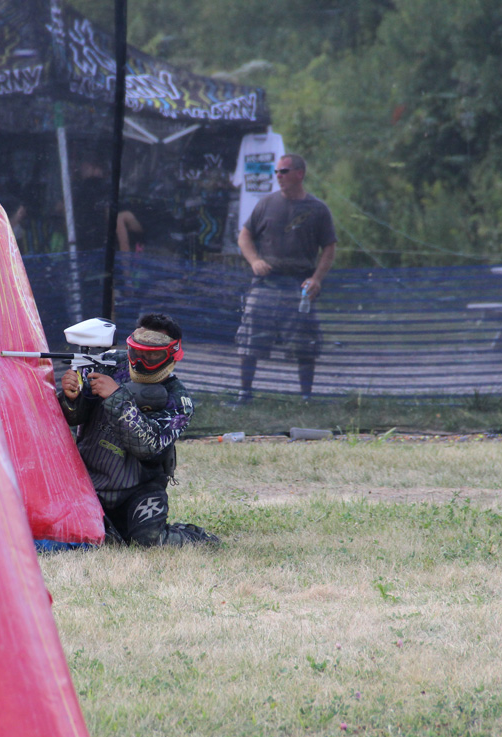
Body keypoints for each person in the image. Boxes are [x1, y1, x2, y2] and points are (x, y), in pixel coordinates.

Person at [58, 313, 218, 547]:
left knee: (148, 539)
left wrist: (116, 397)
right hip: (88, 482)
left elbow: (147, 446)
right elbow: (74, 417)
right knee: (69, 532)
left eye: (152, 355)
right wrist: (70, 398)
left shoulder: (178, 401)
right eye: (137, 352)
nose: (142, 361)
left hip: (139, 490)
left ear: (171, 355)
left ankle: (193, 537)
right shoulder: (108, 364)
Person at [233, 153, 337, 404]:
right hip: (266, 283)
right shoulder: (266, 204)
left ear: (299, 174)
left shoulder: (318, 209)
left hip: (300, 285)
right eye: (277, 172)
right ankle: (244, 394)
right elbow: (244, 236)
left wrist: (317, 279)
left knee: (305, 343)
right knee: (249, 339)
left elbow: (329, 248)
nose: (278, 176)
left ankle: (306, 397)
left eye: (284, 171)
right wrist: (254, 261)